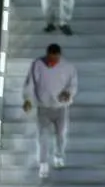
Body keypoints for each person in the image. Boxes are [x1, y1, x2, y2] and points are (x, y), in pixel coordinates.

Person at [22, 43, 79, 179]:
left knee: (61, 135)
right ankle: (43, 164)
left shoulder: (68, 67)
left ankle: (59, 157)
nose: (52, 62)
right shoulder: (37, 64)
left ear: (59, 56)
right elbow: (30, 83)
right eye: (50, 59)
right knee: (42, 137)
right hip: (43, 107)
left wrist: (68, 93)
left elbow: (73, 84)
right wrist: (28, 99)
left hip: (61, 108)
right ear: (47, 55)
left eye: (55, 59)